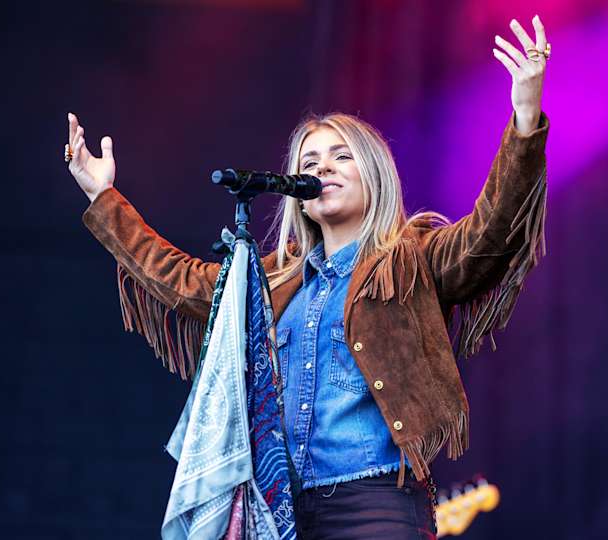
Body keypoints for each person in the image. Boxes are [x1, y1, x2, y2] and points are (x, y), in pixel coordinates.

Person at [65, 15, 550, 540]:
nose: (326, 167)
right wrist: (103, 198)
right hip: (280, 509)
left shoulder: (412, 260)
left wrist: (525, 118)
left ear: (375, 172)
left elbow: (491, 233)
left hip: (374, 499)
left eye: (343, 156)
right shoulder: (274, 278)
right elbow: (179, 280)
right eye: (311, 159)